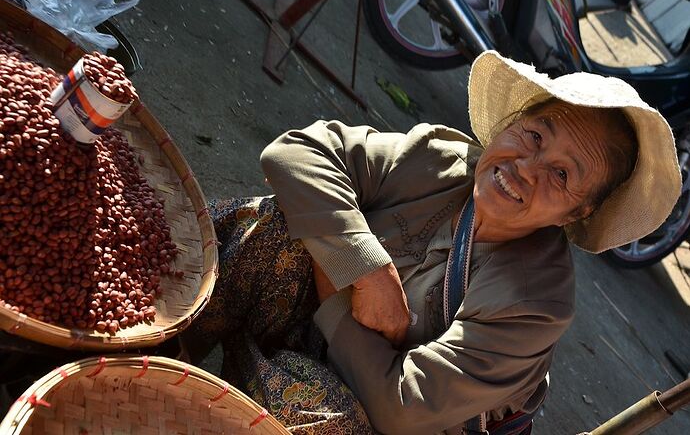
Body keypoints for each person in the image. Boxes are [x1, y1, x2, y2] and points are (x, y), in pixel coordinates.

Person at [183, 51, 680, 434]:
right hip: (315, 334)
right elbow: (299, 151)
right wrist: (366, 270)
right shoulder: (439, 160)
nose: (524, 170)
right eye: (533, 136)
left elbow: (401, 407)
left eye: (561, 174)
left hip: (367, 408)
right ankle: (161, 361)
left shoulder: (535, 304)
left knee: (318, 415)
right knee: (271, 223)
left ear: (579, 211)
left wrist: (335, 291)